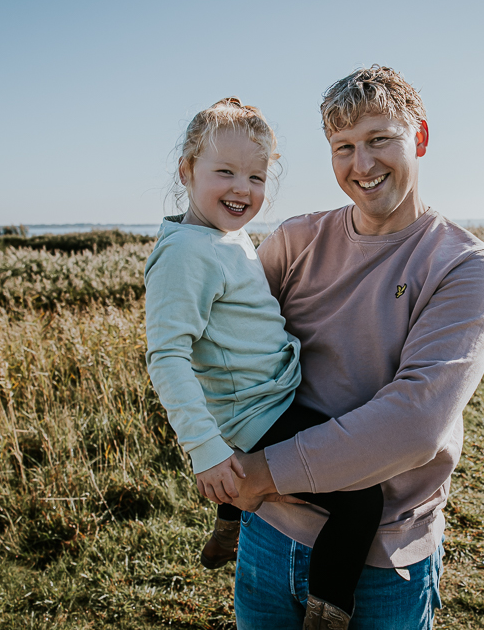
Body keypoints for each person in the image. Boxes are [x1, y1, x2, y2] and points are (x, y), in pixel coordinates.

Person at [227, 66, 484, 630]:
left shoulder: (461, 265)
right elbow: (231, 341)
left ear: (419, 138)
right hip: (268, 531)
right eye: (343, 147)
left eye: (380, 139)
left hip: (383, 556)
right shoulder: (297, 240)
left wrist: (262, 473)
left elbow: (414, 422)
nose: (362, 165)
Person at [144, 98, 385, 630]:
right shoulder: (186, 253)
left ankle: (229, 524)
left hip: (265, 401)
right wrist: (206, 451)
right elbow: (166, 356)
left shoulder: (223, 238)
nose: (242, 189)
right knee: (362, 496)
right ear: (186, 170)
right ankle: (328, 610)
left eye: (256, 176)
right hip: (256, 416)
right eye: (224, 172)